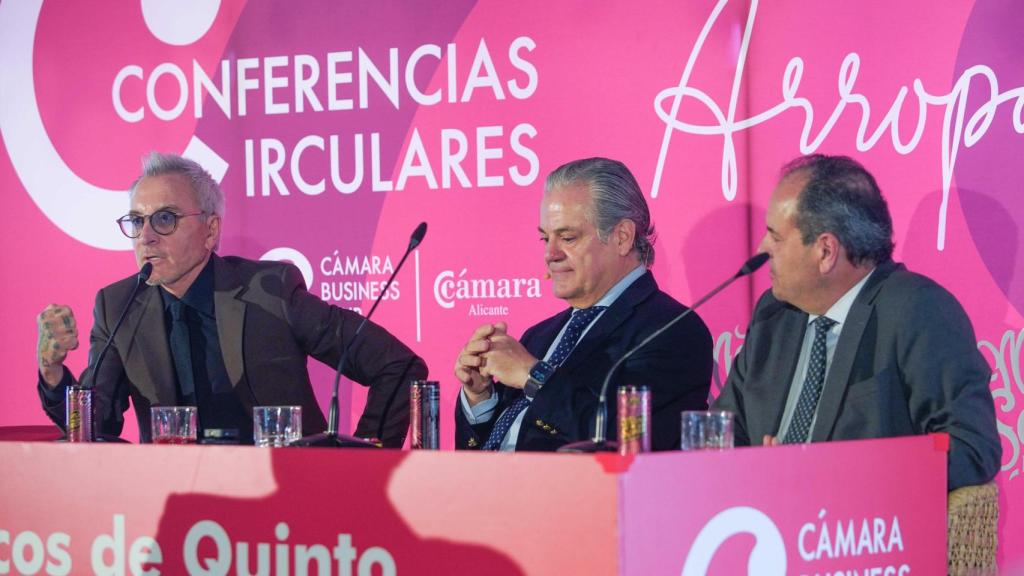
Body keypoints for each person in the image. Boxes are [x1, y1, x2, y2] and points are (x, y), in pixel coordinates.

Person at [36, 152, 426, 446]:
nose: (146, 236)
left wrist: (362, 461)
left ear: (210, 231)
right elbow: (97, 424)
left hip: (285, 499)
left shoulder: (269, 291)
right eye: (137, 221)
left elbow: (398, 365)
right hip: (176, 503)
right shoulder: (118, 306)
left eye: (165, 219)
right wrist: (53, 373)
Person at [713, 154, 1001, 490]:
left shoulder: (917, 309)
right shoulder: (773, 316)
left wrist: (834, 475)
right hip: (760, 515)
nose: (763, 248)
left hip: (857, 518)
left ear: (826, 251)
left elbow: (971, 449)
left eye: (776, 237)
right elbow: (724, 435)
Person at [454, 157, 713, 451]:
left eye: (567, 237)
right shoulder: (539, 336)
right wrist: (481, 398)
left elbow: (626, 440)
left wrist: (532, 376)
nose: (550, 254)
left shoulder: (672, 331)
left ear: (622, 237)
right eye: (545, 239)